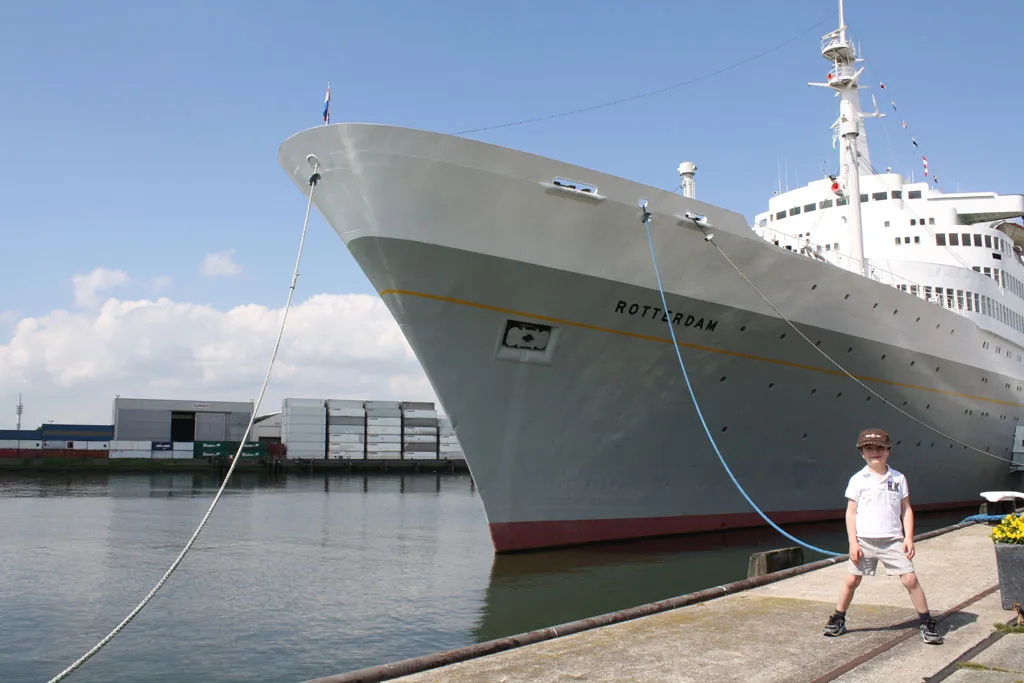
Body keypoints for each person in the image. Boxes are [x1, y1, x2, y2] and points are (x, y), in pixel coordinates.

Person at [822, 427, 943, 644]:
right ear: (861, 453)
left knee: (910, 579)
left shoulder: (898, 478)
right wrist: (853, 542)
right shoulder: (858, 479)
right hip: (865, 540)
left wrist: (908, 537)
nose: (874, 452)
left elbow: (906, 509)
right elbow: (851, 512)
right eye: (868, 448)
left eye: (879, 448)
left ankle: (926, 621)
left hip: (893, 540)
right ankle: (838, 618)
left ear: (888, 450)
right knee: (851, 580)